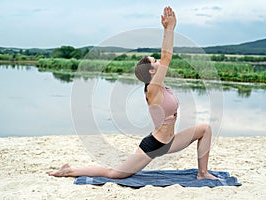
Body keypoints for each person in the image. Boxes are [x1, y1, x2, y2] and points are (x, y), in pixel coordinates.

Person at [49, 6, 218, 180]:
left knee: (205, 129)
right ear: (152, 71)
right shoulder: (152, 90)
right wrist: (169, 29)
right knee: (114, 174)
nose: (159, 61)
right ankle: (68, 171)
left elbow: (165, 59)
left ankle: (202, 173)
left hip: (171, 141)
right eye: (155, 61)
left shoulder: (161, 85)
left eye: (157, 59)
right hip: (155, 144)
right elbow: (167, 56)